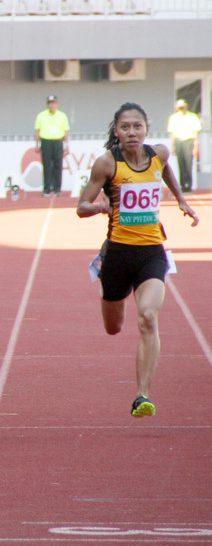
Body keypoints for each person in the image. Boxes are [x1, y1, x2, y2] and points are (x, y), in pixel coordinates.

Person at [76, 102, 199, 418]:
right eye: (125, 127)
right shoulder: (107, 164)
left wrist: (181, 200)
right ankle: (110, 292)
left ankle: (142, 395)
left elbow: (166, 169)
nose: (131, 132)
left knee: (147, 317)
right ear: (116, 132)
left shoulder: (159, 154)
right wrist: (101, 208)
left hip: (151, 253)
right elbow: (81, 206)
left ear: (146, 128)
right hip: (117, 254)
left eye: (137, 126)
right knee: (114, 328)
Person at [34, 95, 70, 196]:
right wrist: (37, 144)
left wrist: (67, 145)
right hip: (46, 141)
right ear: (47, 104)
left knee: (58, 165)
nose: (52, 105)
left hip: (58, 141)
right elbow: (37, 131)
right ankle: (46, 188)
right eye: (50, 103)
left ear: (57, 104)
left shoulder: (62, 115)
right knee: (46, 165)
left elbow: (66, 131)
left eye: (53, 103)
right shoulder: (41, 115)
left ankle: (57, 188)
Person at [166, 99, 202, 193]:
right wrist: (172, 146)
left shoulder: (192, 116)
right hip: (179, 141)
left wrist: (195, 147)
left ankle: (189, 185)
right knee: (181, 164)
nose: (182, 109)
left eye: (183, 107)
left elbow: (196, 134)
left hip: (188, 141)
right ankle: (182, 185)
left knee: (189, 164)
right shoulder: (174, 117)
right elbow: (172, 134)